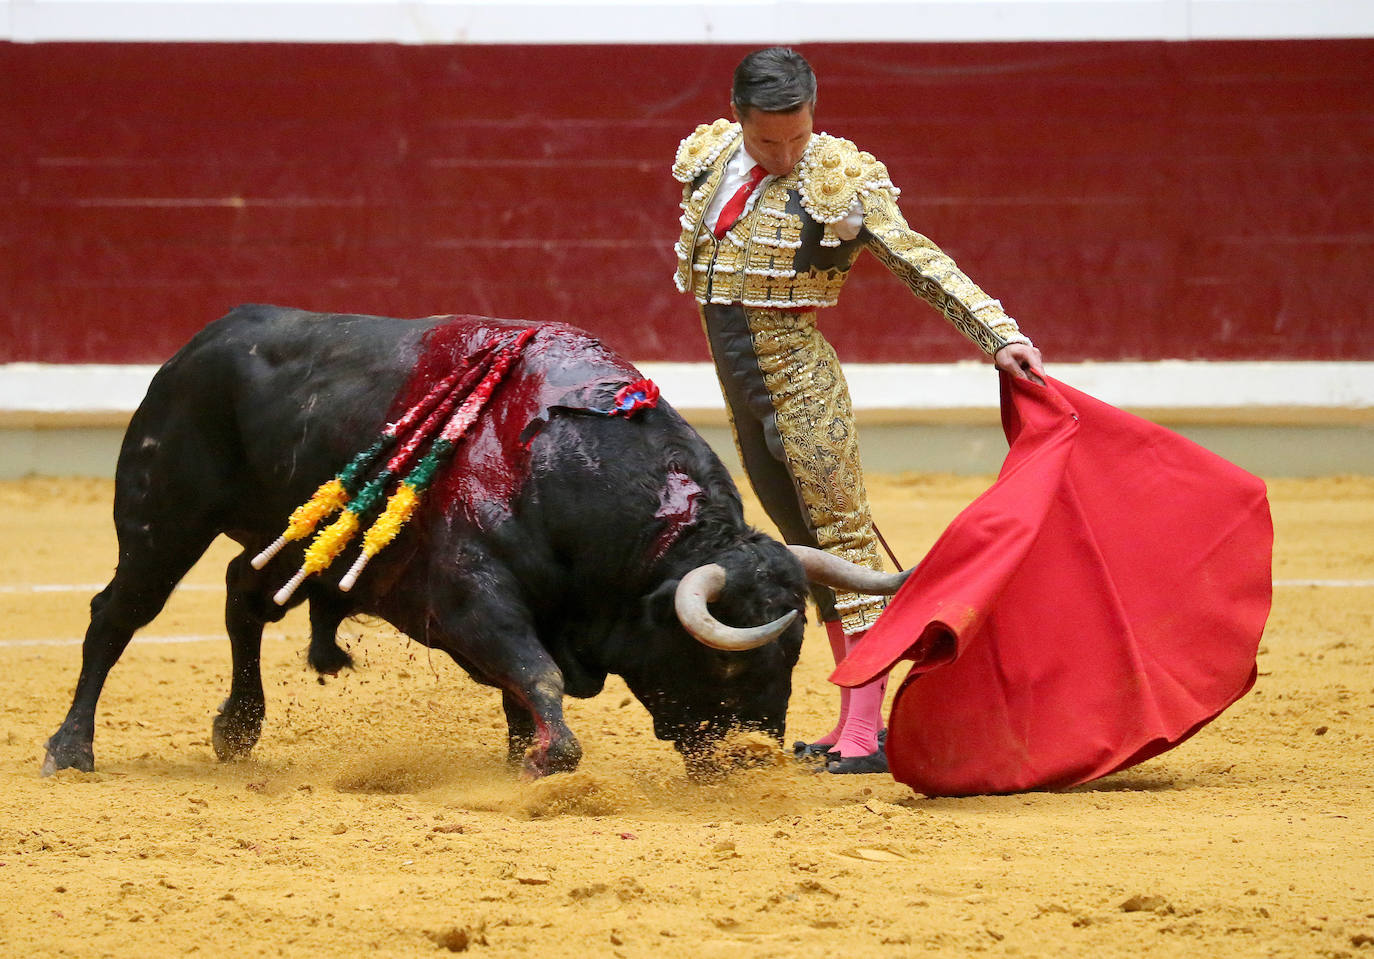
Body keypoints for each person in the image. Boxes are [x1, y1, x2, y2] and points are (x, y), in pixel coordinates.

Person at [670, 46, 1045, 774]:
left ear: (814, 115)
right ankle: (851, 719)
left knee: (843, 544)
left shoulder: (839, 176)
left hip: (802, 382)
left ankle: (868, 730)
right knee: (803, 547)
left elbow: (918, 258)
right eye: (767, 139)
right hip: (743, 391)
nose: (784, 154)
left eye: (798, 136)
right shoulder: (710, 157)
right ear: (737, 118)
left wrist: (999, 336)